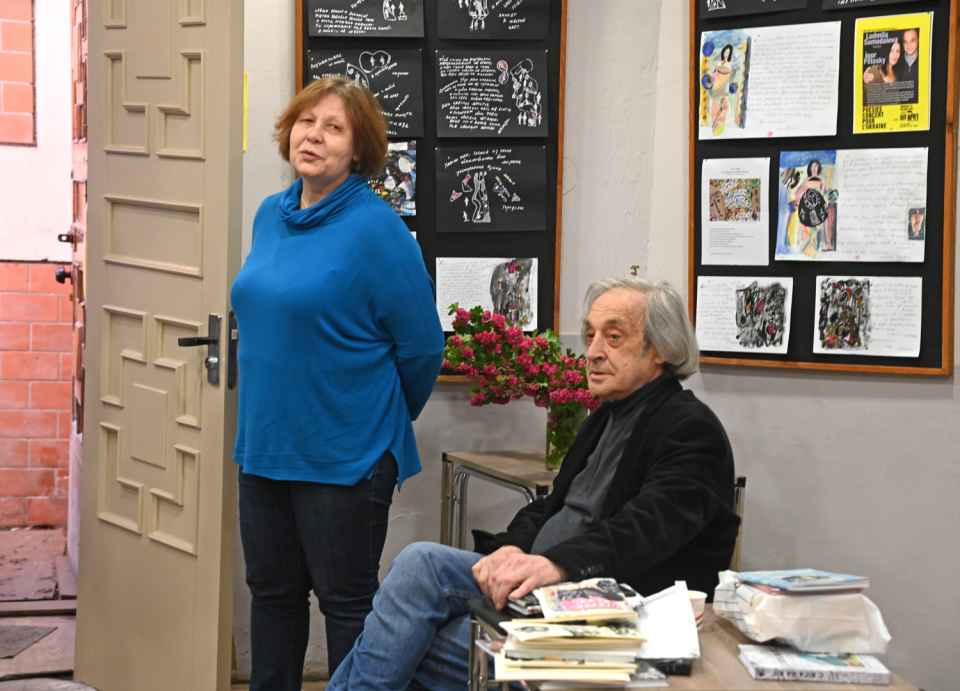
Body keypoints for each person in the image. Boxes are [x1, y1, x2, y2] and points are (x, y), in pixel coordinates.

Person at [327, 278, 740, 691]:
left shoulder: (691, 429)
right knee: (419, 564)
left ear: (661, 349)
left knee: (408, 637)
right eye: (591, 335)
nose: (593, 352)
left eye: (613, 338)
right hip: (539, 588)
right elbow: (550, 505)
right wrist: (512, 547)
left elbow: (643, 531)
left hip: (608, 615)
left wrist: (556, 564)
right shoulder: (605, 416)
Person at [230, 76, 444, 690]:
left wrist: (372, 417)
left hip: (347, 455)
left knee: (346, 603)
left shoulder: (378, 229)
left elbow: (423, 348)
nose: (314, 136)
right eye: (306, 122)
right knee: (271, 594)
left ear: (358, 149)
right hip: (265, 447)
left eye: (334, 128)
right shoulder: (270, 216)